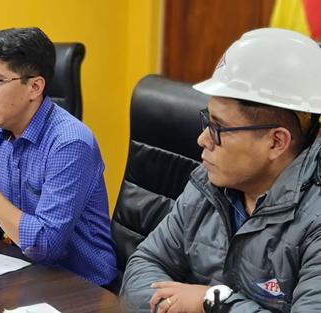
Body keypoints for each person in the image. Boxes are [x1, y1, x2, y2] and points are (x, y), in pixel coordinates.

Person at [119, 28, 321, 313]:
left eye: (219, 128)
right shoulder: (208, 184)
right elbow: (144, 265)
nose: (202, 139)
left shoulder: (314, 221)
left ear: (276, 142)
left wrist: (212, 301)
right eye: (207, 120)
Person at [0, 27, 117, 287]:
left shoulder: (70, 143)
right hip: (24, 271)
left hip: (81, 286)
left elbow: (45, 245)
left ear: (35, 87)